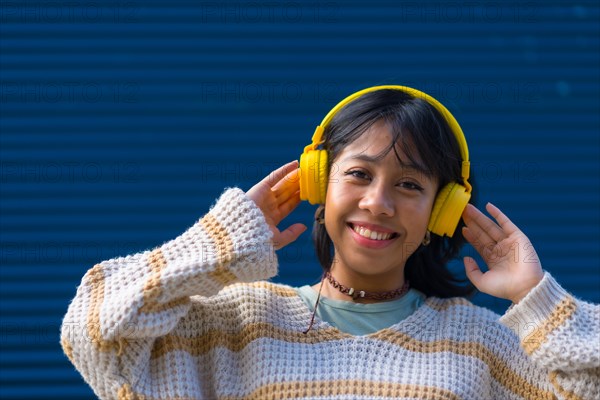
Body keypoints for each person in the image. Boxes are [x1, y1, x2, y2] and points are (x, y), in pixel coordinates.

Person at [61, 86, 599, 400]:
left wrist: (537, 298)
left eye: (410, 185)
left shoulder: (485, 345)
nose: (378, 203)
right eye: (359, 175)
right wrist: (220, 243)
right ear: (317, 184)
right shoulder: (234, 328)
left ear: (442, 210)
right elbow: (94, 333)